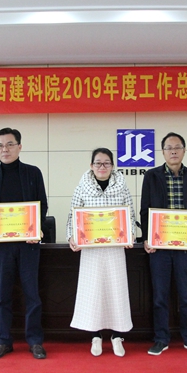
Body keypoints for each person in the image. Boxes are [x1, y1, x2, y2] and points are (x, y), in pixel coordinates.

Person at [0, 127, 48, 360]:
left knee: (32, 295)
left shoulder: (32, 173)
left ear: (19, 146)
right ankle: (3, 341)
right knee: (2, 296)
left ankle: (35, 341)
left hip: (28, 244)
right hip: (0, 247)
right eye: (0, 145)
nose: (5, 149)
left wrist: (37, 228)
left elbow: (42, 205)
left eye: (10, 144)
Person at [140, 132, 187, 356]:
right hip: (160, 247)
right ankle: (161, 338)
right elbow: (145, 209)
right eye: (169, 148)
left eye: (177, 147)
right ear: (162, 152)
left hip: (186, 246)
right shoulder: (151, 176)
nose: (173, 151)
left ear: (184, 151)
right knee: (160, 296)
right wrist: (147, 238)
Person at [67, 147, 135, 357]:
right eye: (98, 163)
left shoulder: (122, 186)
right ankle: (95, 335)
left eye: (106, 163)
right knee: (93, 292)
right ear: (91, 166)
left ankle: (117, 336)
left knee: (116, 290)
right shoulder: (82, 187)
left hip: (114, 249)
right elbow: (72, 216)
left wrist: (131, 234)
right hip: (91, 250)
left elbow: (130, 215)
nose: (102, 167)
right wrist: (72, 237)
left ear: (112, 166)